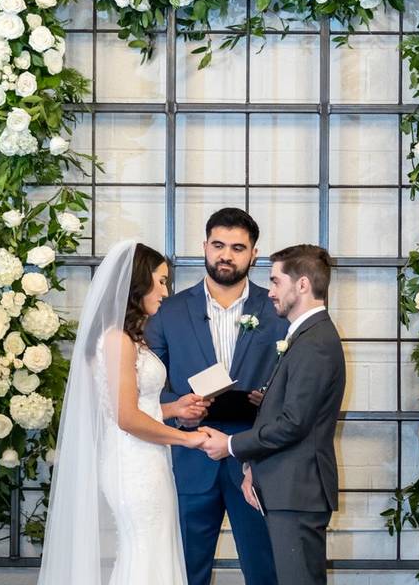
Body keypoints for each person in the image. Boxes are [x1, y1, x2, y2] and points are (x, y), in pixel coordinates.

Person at [38, 241, 211, 585]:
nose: (166, 291)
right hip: (133, 465)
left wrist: (173, 408)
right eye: (161, 281)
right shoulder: (117, 340)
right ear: (139, 282)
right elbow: (126, 417)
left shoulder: (129, 338)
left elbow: (134, 406)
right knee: (144, 551)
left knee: (151, 549)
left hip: (146, 459)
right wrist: (187, 439)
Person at [144, 208, 287, 585]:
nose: (227, 255)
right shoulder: (168, 311)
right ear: (204, 247)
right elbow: (147, 381)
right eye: (219, 245)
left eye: (238, 247)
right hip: (189, 458)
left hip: (254, 460)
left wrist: (267, 399)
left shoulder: (276, 311)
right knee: (186, 571)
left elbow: (293, 381)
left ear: (254, 253)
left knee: (264, 570)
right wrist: (179, 408)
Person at [200, 244, 345, 585]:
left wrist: (232, 446)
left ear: (303, 285)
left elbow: (294, 424)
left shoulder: (315, 343)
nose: (270, 291)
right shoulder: (307, 337)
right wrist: (253, 467)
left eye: (276, 281)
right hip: (288, 486)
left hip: (298, 489)